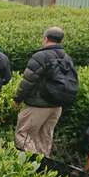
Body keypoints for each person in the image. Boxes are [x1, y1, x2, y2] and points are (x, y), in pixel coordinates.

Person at [13, 26, 78, 157]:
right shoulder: (66, 57)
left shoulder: (41, 56)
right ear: (61, 40)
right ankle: (44, 166)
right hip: (56, 106)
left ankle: (31, 165)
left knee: (24, 135)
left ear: (46, 38)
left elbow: (28, 81)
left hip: (38, 105)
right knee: (44, 137)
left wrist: (17, 98)